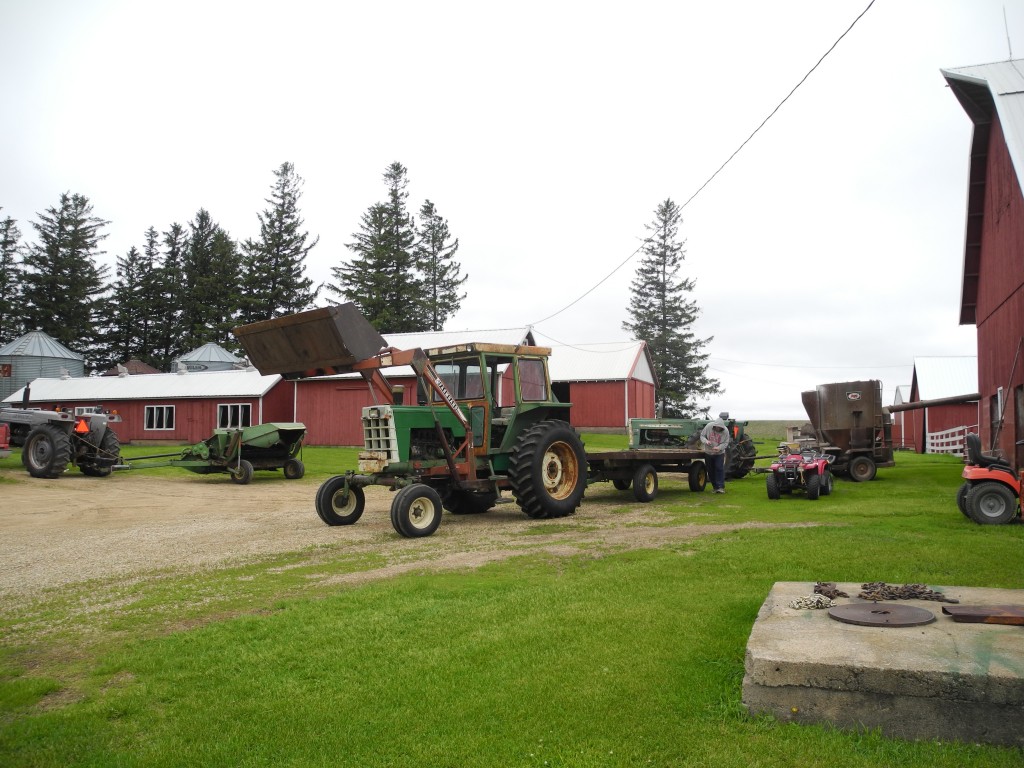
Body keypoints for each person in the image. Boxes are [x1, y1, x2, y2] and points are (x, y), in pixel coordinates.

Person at [699, 414, 731, 493]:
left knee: (719, 468)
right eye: (717, 427)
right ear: (714, 425)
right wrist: (706, 441)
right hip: (708, 452)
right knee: (710, 470)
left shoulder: (726, 431)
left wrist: (719, 448)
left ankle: (720, 487)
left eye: (720, 428)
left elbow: (726, 442)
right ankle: (715, 487)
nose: (718, 428)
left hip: (719, 453)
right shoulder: (708, 426)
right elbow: (702, 436)